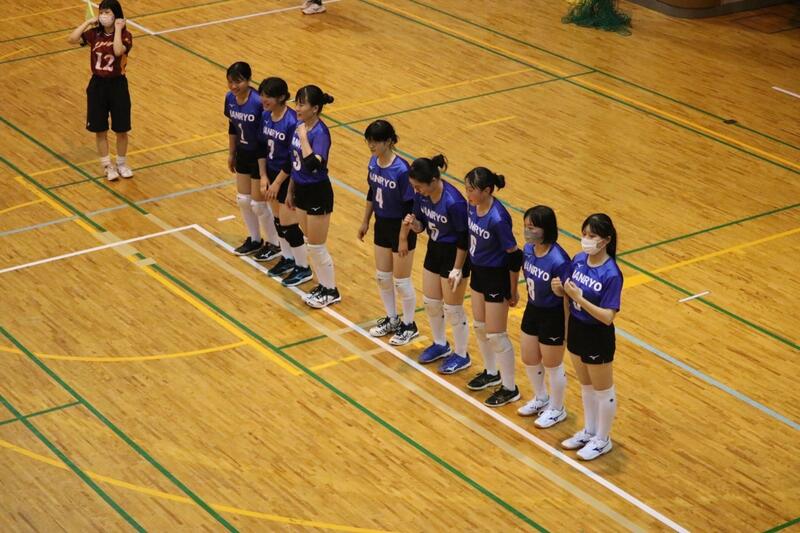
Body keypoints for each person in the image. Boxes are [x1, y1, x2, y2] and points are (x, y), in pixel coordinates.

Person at [552, 213, 622, 460]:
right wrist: (560, 290)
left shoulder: (611, 274)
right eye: (584, 234)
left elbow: (607, 316)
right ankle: (590, 431)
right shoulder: (579, 260)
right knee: (586, 385)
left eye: (592, 236)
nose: (586, 240)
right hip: (577, 328)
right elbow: (568, 292)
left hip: (597, 334)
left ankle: (603, 439)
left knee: (603, 389)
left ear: (606, 240)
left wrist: (579, 298)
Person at [401, 154, 471, 374]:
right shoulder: (421, 197)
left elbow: (464, 238)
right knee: (431, 301)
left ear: (433, 181)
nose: (416, 190)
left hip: (455, 253)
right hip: (435, 249)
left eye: (419, 186)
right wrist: (414, 225)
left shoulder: (454, 202)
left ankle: (462, 354)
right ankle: (440, 344)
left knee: (453, 308)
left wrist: (458, 268)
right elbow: (422, 225)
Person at [463, 167, 522, 407]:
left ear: (487, 191)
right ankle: (491, 372)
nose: (467, 193)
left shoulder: (498, 219)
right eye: (466, 188)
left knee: (497, 335)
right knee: (480, 327)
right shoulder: (472, 206)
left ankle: (510, 388)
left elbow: (514, 256)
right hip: (479, 272)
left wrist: (513, 289)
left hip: (497, 276)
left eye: (471, 189)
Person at [358, 120, 418, 345]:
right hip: (381, 224)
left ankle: (409, 325)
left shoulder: (401, 170)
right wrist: (365, 221)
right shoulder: (373, 163)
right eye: (369, 141)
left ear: (389, 141)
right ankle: (393, 319)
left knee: (401, 281)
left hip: (401, 227)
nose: (371, 145)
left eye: (376, 141)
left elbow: (410, 207)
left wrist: (403, 238)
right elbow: (372, 192)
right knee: (383, 277)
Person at [516, 206, 571, 429]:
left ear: (545, 229)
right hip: (533, 308)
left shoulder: (559, 260)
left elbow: (568, 296)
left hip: (553, 315)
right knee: (529, 357)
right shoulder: (528, 250)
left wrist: (566, 328)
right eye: (525, 226)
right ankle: (541, 397)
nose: (527, 231)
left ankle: (557, 409)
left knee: (552, 364)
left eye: (532, 227)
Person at [68, 0, 133, 182]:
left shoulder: (126, 35)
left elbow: (118, 51)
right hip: (98, 86)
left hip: (118, 85)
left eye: (107, 12)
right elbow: (72, 39)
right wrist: (87, 22)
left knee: (122, 129)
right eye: (101, 12)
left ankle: (121, 163)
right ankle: (107, 166)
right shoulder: (94, 34)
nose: (104, 15)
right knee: (100, 129)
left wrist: (118, 29)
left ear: (116, 15)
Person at [286, 85, 339, 307]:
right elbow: (295, 162)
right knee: (310, 243)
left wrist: (303, 137)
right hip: (300, 189)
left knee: (317, 246)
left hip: (317, 192)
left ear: (315, 108)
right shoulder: (300, 127)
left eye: (302, 104)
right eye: (296, 103)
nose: (297, 108)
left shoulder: (320, 133)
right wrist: (290, 190)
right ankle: (323, 285)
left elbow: (312, 164)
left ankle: (331, 290)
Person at [223, 62, 280, 258]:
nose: (234, 86)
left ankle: (274, 244)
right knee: (243, 200)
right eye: (230, 82)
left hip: (259, 155)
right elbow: (232, 126)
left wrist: (265, 170)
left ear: (248, 80)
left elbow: (268, 130)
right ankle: (255, 240)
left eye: (238, 82)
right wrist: (231, 153)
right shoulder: (229, 98)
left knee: (258, 204)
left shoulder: (257, 102)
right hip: (242, 153)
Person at [257, 77, 307, 276]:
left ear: (281, 97)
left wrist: (277, 183)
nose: (263, 99)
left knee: (289, 224)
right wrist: (263, 176)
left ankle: (303, 266)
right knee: (278, 221)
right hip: (271, 173)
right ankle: (287, 258)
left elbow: (292, 158)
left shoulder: (292, 121)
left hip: (287, 177)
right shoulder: (265, 116)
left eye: (268, 96)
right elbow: (261, 147)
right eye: (262, 95)